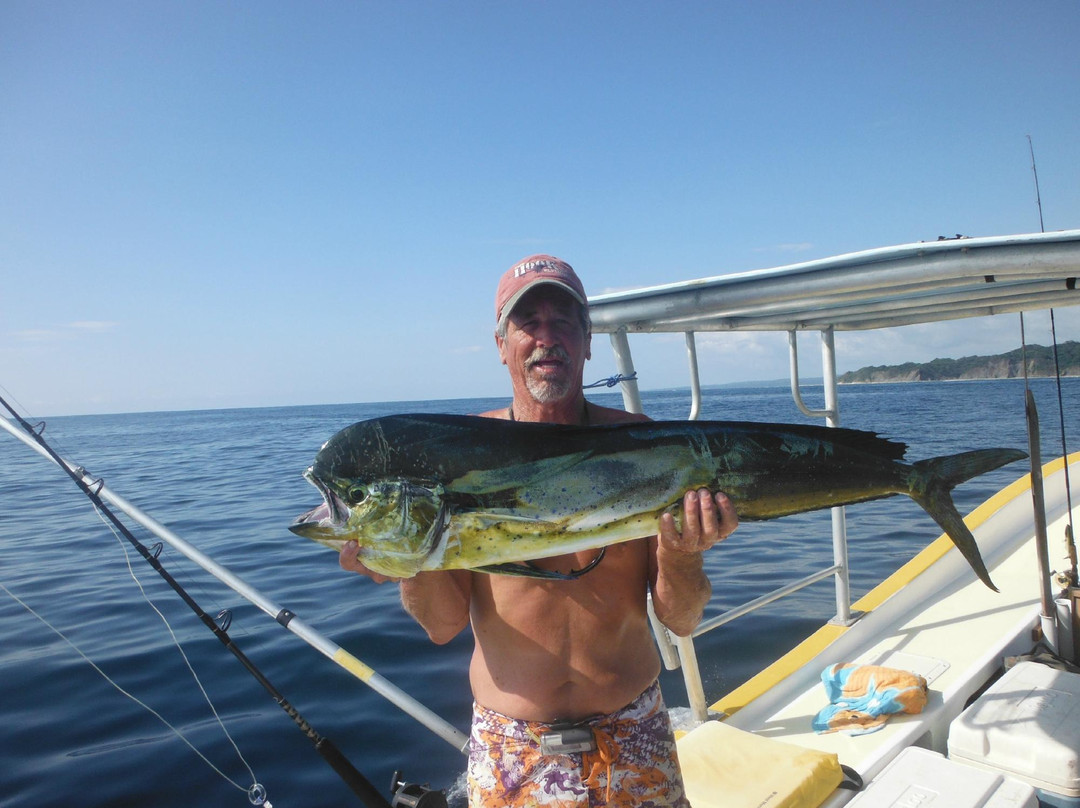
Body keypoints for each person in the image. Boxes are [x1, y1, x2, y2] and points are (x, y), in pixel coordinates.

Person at [339, 254, 737, 807]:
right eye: (529, 323)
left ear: (588, 339)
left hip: (632, 734)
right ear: (502, 344)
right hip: (511, 747)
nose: (546, 338)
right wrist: (407, 558)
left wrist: (684, 552)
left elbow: (680, 618)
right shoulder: (459, 458)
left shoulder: (642, 445)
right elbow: (441, 626)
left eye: (564, 321)